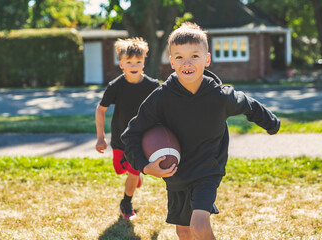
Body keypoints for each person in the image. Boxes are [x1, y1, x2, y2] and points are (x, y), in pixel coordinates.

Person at [121, 23, 280, 239]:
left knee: (198, 224)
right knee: (183, 230)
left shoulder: (220, 96)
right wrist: (145, 167)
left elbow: (249, 105)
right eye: (179, 57)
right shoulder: (161, 98)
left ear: (207, 59)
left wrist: (272, 124)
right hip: (176, 173)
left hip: (207, 170)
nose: (187, 63)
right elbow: (132, 134)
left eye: (194, 56)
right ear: (171, 62)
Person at [95, 37, 159, 220]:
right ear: (121, 64)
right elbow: (100, 109)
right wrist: (100, 137)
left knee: (132, 172)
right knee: (121, 170)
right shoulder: (115, 86)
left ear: (144, 63)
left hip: (140, 139)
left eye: (138, 61)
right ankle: (135, 176)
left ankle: (126, 202)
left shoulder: (152, 86)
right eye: (129, 61)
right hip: (119, 138)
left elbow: (162, 110)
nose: (134, 65)